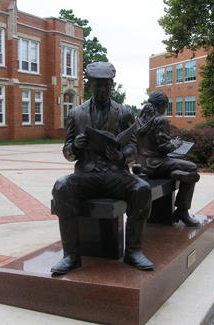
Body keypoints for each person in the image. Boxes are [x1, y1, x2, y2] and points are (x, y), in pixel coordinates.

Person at [51, 62, 154, 275]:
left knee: (142, 189)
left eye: (106, 85)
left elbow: (134, 147)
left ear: (112, 85)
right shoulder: (76, 114)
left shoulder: (124, 112)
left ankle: (133, 251)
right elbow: (67, 153)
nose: (102, 90)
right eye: (98, 85)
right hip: (87, 174)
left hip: (115, 174)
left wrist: (122, 155)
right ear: (90, 85)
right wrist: (75, 147)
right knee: (62, 186)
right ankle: (71, 255)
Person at [136, 91, 200, 227]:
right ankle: (182, 210)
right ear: (161, 105)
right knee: (192, 168)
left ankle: (174, 173)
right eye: (166, 106)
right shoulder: (161, 120)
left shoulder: (139, 120)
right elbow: (164, 147)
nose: (166, 109)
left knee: (180, 167)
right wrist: (176, 144)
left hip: (142, 165)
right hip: (156, 165)